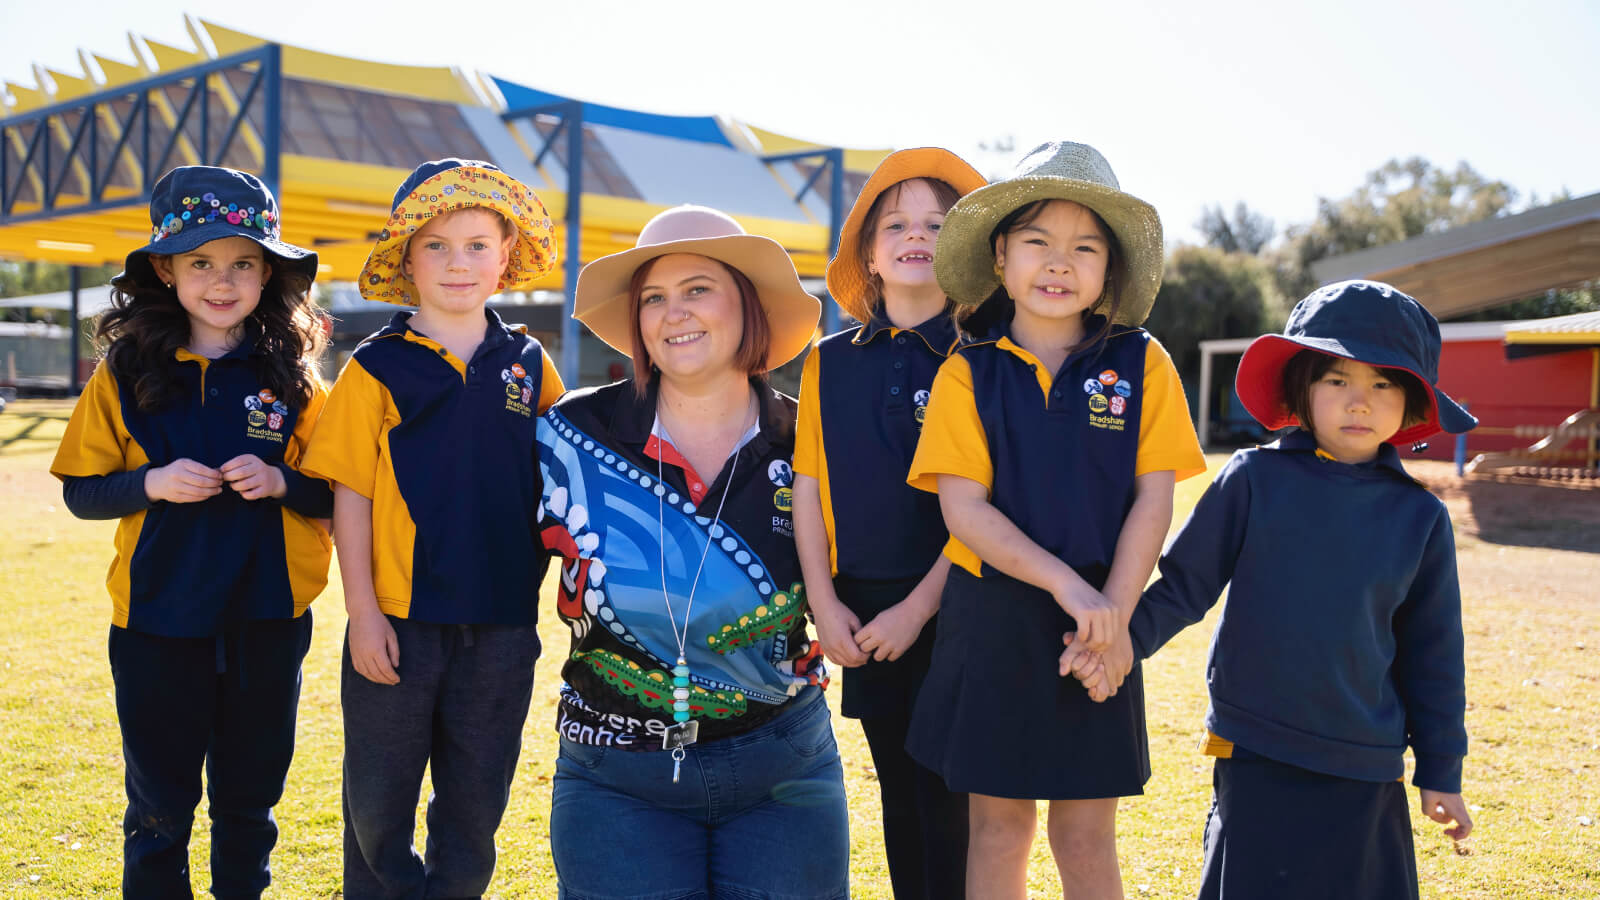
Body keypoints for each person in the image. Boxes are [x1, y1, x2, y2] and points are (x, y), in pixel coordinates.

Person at [1065, 279, 1476, 899]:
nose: (1358, 402)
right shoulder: (1253, 479)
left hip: (1363, 758)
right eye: (1337, 379)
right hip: (1255, 740)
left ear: (1412, 402)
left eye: (1382, 383)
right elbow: (1183, 585)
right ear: (1301, 388)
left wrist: (1441, 770)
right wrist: (1122, 643)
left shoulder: (1419, 517)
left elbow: (1434, 653)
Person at [904, 141, 1206, 899]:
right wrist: (1075, 591)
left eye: (1084, 246)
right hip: (996, 623)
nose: (1058, 262)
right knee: (999, 830)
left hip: (1103, 624)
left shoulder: (1146, 364)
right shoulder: (965, 370)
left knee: (1085, 831)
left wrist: (1114, 621)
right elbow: (963, 512)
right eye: (1037, 241)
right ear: (1001, 256)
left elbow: (1154, 500)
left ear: (1111, 269)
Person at [537, 205, 848, 899]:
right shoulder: (567, 436)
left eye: (698, 288)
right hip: (613, 778)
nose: (673, 313)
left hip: (784, 771)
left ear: (749, 307)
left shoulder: (811, 442)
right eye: (654, 297)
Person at [51, 165, 332, 899]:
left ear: (268, 274)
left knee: (249, 803)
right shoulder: (123, 372)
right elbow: (81, 490)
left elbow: (339, 495)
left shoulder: (296, 379)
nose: (222, 280)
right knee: (159, 809)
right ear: (166, 271)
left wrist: (280, 482)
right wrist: (150, 483)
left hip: (268, 621)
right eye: (201, 262)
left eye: (243, 263)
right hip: (155, 624)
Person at [300, 158, 563, 899]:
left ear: (506, 254)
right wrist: (363, 615)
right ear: (407, 258)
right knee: (378, 803)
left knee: (476, 803)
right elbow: (348, 495)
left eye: (478, 244)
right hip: (399, 625)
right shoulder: (376, 367)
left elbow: (565, 480)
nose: (458, 262)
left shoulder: (529, 364)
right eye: (437, 246)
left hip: (504, 623)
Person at [793, 147, 984, 899]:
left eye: (938, 223)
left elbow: (988, 504)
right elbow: (807, 486)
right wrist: (823, 604)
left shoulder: (984, 354)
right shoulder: (827, 362)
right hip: (863, 612)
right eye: (897, 223)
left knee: (953, 801)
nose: (917, 235)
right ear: (868, 252)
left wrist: (919, 608)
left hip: (963, 606)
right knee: (900, 795)